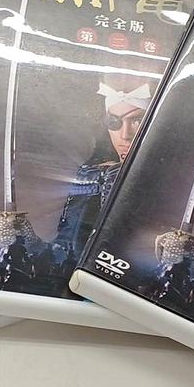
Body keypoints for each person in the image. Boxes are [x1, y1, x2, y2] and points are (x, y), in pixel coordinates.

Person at [53, 76, 152, 255]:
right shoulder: (91, 174)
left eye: (137, 121)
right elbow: (65, 245)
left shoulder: (169, 182)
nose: (125, 135)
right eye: (114, 122)